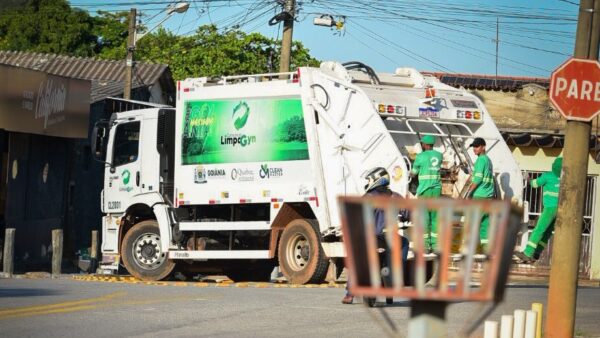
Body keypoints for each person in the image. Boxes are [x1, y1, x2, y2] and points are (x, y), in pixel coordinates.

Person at [342, 167, 409, 304]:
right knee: (405, 243)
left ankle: (350, 294)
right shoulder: (395, 196)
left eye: (369, 180)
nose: (368, 182)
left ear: (377, 180)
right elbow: (409, 213)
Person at [514, 157, 562, 264]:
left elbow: (534, 184)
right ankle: (536, 253)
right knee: (547, 232)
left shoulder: (548, 176)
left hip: (549, 209)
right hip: (560, 210)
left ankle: (527, 253)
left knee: (539, 230)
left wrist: (528, 179)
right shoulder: (565, 178)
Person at [409, 135, 443, 253]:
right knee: (435, 219)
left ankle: (425, 247)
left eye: (422, 143)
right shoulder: (439, 156)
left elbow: (414, 173)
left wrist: (410, 174)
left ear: (425, 144)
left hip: (425, 191)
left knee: (424, 219)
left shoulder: (420, 156)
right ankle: (435, 246)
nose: (422, 145)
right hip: (437, 191)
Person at [465, 137, 495, 252]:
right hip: (488, 196)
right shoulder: (488, 160)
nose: (474, 149)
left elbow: (477, 179)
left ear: (483, 147)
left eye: (477, 147)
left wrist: (469, 193)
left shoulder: (481, 160)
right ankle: (486, 249)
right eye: (473, 147)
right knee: (484, 224)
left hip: (479, 196)